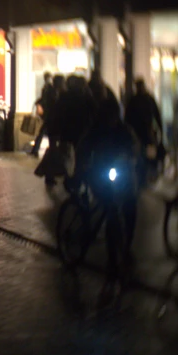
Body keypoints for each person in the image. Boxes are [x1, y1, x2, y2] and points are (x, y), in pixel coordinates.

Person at [73, 96, 141, 274]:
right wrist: (82, 169)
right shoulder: (96, 130)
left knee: (130, 207)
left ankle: (126, 245)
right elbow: (83, 148)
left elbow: (134, 147)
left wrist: (132, 159)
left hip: (123, 174)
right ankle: (112, 257)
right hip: (100, 173)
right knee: (111, 211)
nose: (111, 119)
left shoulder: (124, 130)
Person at [124, 79, 163, 185]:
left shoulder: (136, 100)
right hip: (141, 133)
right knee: (143, 155)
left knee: (144, 155)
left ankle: (143, 176)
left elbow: (127, 118)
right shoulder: (144, 99)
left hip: (142, 133)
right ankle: (143, 175)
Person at [31, 72, 56, 157]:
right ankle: (50, 150)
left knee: (44, 132)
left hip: (47, 114)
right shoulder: (50, 87)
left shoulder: (45, 87)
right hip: (50, 114)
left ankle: (36, 149)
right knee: (48, 133)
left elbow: (43, 99)